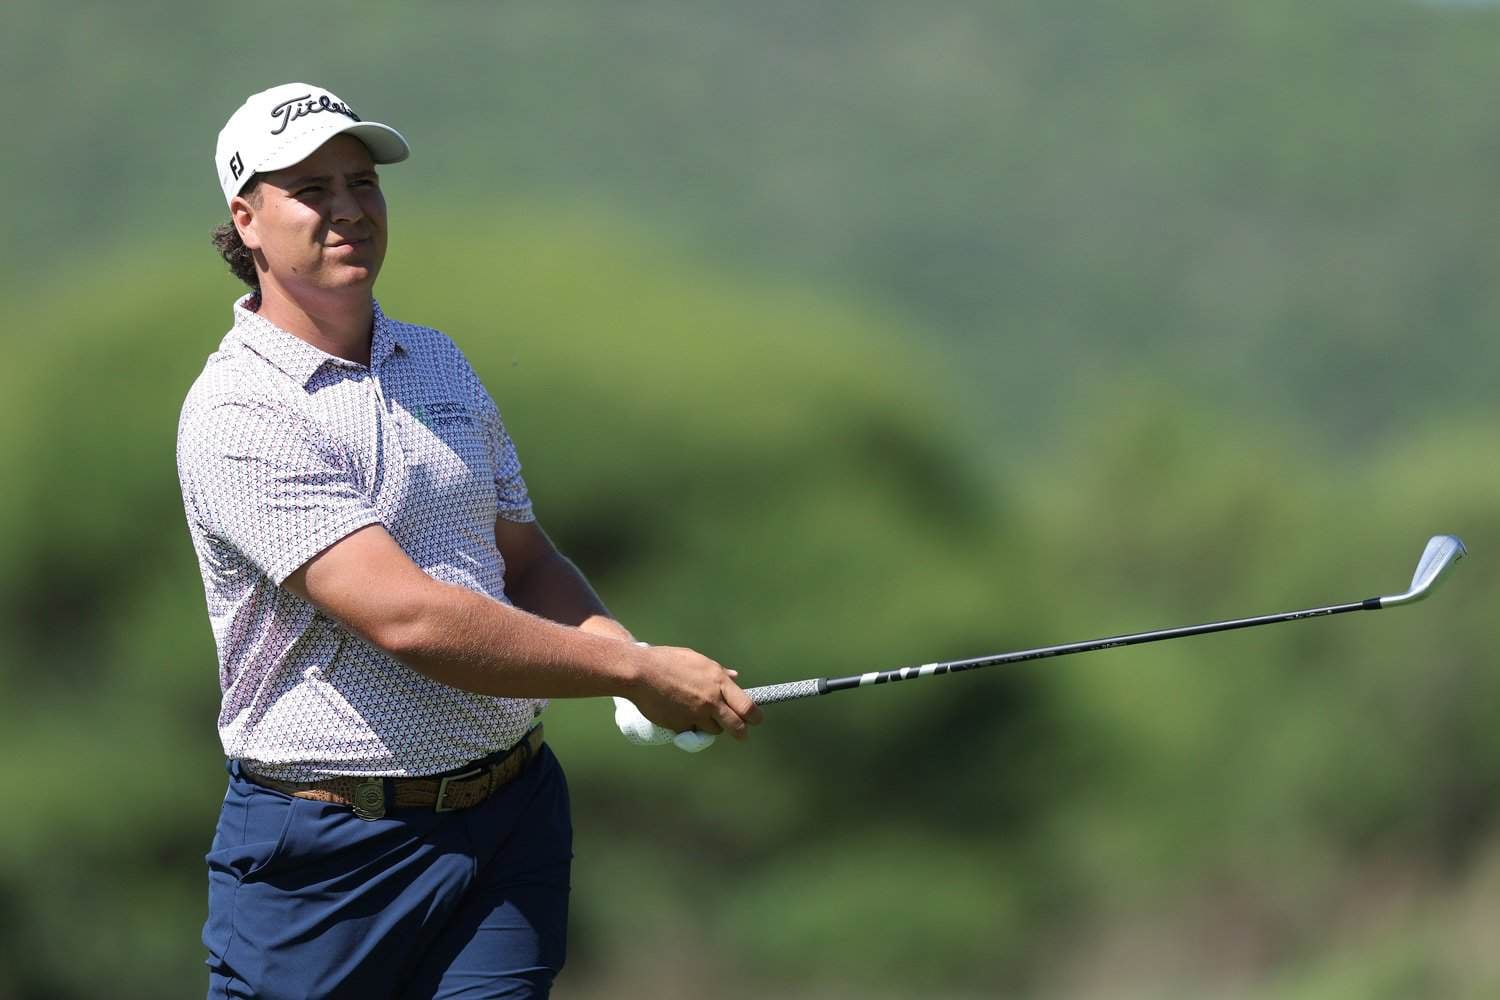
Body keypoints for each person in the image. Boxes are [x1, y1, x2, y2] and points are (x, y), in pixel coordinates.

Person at [177, 82, 762, 1000]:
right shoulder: (239, 411)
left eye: (362, 182)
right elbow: (410, 619)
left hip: (509, 818)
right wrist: (634, 671)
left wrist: (627, 655)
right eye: (312, 190)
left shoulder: (439, 361)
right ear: (246, 221)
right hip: (326, 858)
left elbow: (524, 560)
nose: (348, 209)